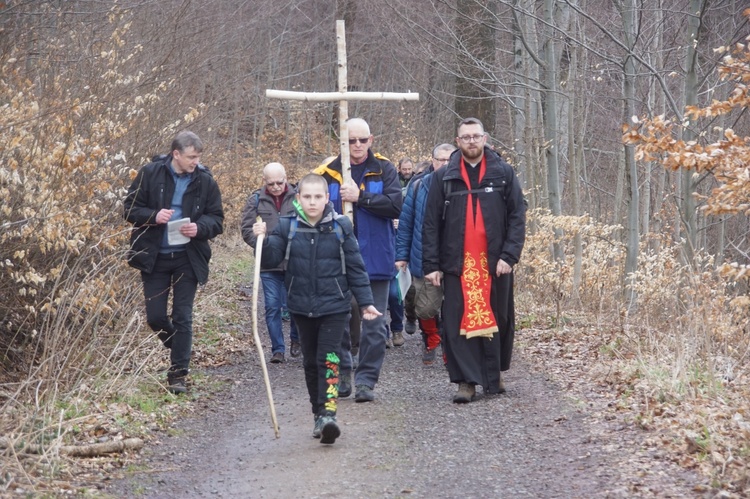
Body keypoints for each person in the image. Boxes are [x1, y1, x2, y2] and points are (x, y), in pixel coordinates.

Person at [252, 174, 381, 444]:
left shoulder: (341, 226)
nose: (312, 202)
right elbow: (271, 259)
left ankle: (329, 414)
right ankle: (317, 415)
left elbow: (356, 268)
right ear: (298, 199)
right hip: (300, 306)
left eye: (318, 197)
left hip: (335, 305)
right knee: (310, 362)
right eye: (307, 197)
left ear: (327, 199)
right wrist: (260, 241)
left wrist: (366, 302)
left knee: (329, 358)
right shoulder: (287, 227)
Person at [422, 118, 526, 403]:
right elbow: (430, 223)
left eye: (475, 136)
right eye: (465, 137)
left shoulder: (503, 172)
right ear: (458, 141)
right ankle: (465, 382)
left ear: (484, 138)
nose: (471, 141)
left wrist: (509, 256)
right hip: (457, 263)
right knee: (457, 323)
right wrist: (430, 265)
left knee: (500, 319)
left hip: (495, 265)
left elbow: (517, 216)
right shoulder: (442, 177)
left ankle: (495, 374)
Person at [124, 131, 224, 394]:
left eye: (199, 157)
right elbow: (129, 209)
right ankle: (180, 346)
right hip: (154, 256)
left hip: (187, 258)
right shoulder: (149, 173)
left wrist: (199, 228)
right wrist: (154, 216)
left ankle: (178, 373)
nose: (196, 162)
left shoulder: (205, 181)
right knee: (155, 317)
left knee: (183, 316)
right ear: (176, 154)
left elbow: (217, 219)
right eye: (192, 157)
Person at [313, 117, 402, 403]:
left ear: (371, 140)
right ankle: (343, 373)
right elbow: (310, 210)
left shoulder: (384, 168)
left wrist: (360, 197)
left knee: (374, 325)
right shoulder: (326, 173)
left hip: (376, 259)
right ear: (342, 141)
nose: (358, 145)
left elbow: (394, 205)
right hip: (336, 260)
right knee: (337, 321)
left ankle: (366, 380)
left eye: (363, 140)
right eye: (351, 140)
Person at [396, 143, 456, 364]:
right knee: (425, 308)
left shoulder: (463, 185)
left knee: (454, 308)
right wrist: (401, 255)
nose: (445, 164)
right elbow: (406, 223)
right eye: (441, 159)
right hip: (423, 257)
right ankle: (431, 336)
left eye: (450, 160)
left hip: (454, 260)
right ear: (433, 161)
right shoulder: (419, 185)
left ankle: (451, 348)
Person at [241, 163, 301, 363]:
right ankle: (277, 349)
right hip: (268, 264)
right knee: (272, 306)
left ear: (286, 177)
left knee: (296, 305)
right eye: (271, 183)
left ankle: (296, 339)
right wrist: (263, 242)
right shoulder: (256, 199)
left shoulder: (299, 197)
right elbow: (246, 230)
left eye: (279, 182)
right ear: (264, 181)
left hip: (295, 261)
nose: (275, 186)